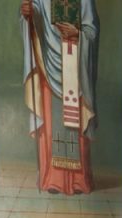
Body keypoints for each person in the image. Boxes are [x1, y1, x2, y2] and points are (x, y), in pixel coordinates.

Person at [20, 0, 99, 194]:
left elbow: (92, 31)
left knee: (75, 125)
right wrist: (28, 13)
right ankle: (52, 179)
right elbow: (35, 12)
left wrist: (78, 33)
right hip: (48, 65)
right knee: (50, 122)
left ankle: (78, 181)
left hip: (76, 67)